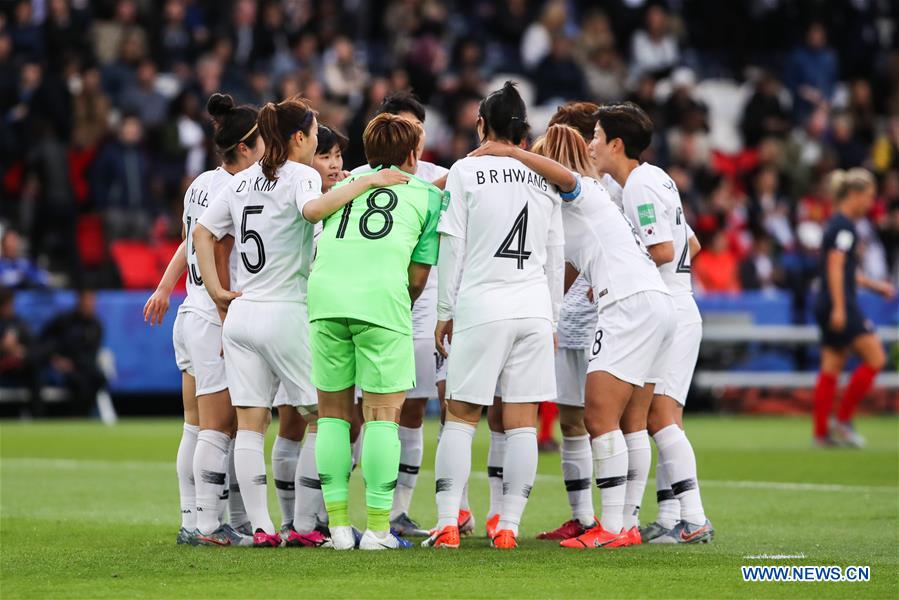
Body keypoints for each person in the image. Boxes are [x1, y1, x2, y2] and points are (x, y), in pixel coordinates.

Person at [193, 95, 405, 548]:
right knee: (328, 418)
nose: (316, 143)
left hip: (243, 313)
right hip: (287, 310)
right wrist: (368, 183)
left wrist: (217, 291)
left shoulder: (242, 179)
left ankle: (264, 529)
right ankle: (309, 525)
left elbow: (202, 232)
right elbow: (312, 211)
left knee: (250, 425)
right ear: (298, 138)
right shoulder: (301, 175)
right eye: (314, 134)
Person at [425, 83, 564, 550]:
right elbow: (555, 252)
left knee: (461, 416)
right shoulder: (544, 175)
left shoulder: (465, 170)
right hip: (533, 309)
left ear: (482, 125)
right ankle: (507, 525)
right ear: (523, 131)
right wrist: (554, 319)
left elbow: (453, 245)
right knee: (523, 421)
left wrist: (444, 311)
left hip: (484, 304)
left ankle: (448, 522)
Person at [308, 112, 441, 551]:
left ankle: (341, 530)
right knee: (383, 416)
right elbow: (418, 278)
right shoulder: (425, 194)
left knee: (331, 414)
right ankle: (380, 530)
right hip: (381, 300)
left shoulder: (341, 183)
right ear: (413, 154)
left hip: (325, 298)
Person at [586, 102, 713, 546]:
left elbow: (661, 250)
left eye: (597, 136)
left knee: (658, 416)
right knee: (654, 417)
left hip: (667, 309)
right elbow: (691, 244)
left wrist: (620, 270)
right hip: (677, 304)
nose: (592, 144)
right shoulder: (657, 177)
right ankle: (669, 515)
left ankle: (692, 517)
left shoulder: (639, 185)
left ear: (617, 144)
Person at [143, 93, 265, 546]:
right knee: (222, 425)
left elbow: (187, 242)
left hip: (189, 309)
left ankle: (193, 518)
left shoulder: (200, 184)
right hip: (213, 314)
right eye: (264, 142)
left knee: (196, 425)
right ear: (247, 147)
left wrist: (163, 287)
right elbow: (213, 247)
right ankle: (211, 527)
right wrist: (223, 312)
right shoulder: (236, 189)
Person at [350, 91, 466, 537]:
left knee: (413, 409)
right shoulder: (360, 176)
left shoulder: (444, 176)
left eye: (413, 127)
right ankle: (352, 510)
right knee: (364, 411)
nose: (407, 134)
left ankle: (397, 511)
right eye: (397, 124)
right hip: (372, 301)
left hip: (421, 305)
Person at [268, 125, 348, 538]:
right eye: (325, 155)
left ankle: (304, 518)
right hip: (303, 321)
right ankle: (298, 521)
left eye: (338, 156)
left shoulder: (345, 195)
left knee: (318, 423)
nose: (334, 164)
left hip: (310, 318)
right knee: (309, 422)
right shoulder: (303, 198)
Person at [812, 168, 894, 448]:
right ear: (855, 195)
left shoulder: (837, 224)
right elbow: (835, 265)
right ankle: (843, 420)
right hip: (839, 302)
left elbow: (842, 269)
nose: (871, 204)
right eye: (869, 197)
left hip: (828, 300)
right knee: (876, 358)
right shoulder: (844, 226)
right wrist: (839, 307)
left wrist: (874, 285)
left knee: (832, 365)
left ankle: (821, 433)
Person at [41, 289, 108, 417]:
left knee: (98, 379)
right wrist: (56, 359)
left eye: (92, 301)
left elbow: (93, 352)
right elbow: (45, 341)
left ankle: (85, 414)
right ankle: (76, 416)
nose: (90, 304)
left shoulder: (96, 325)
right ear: (79, 301)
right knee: (79, 382)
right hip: (66, 368)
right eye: (87, 300)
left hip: (84, 367)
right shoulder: (64, 321)